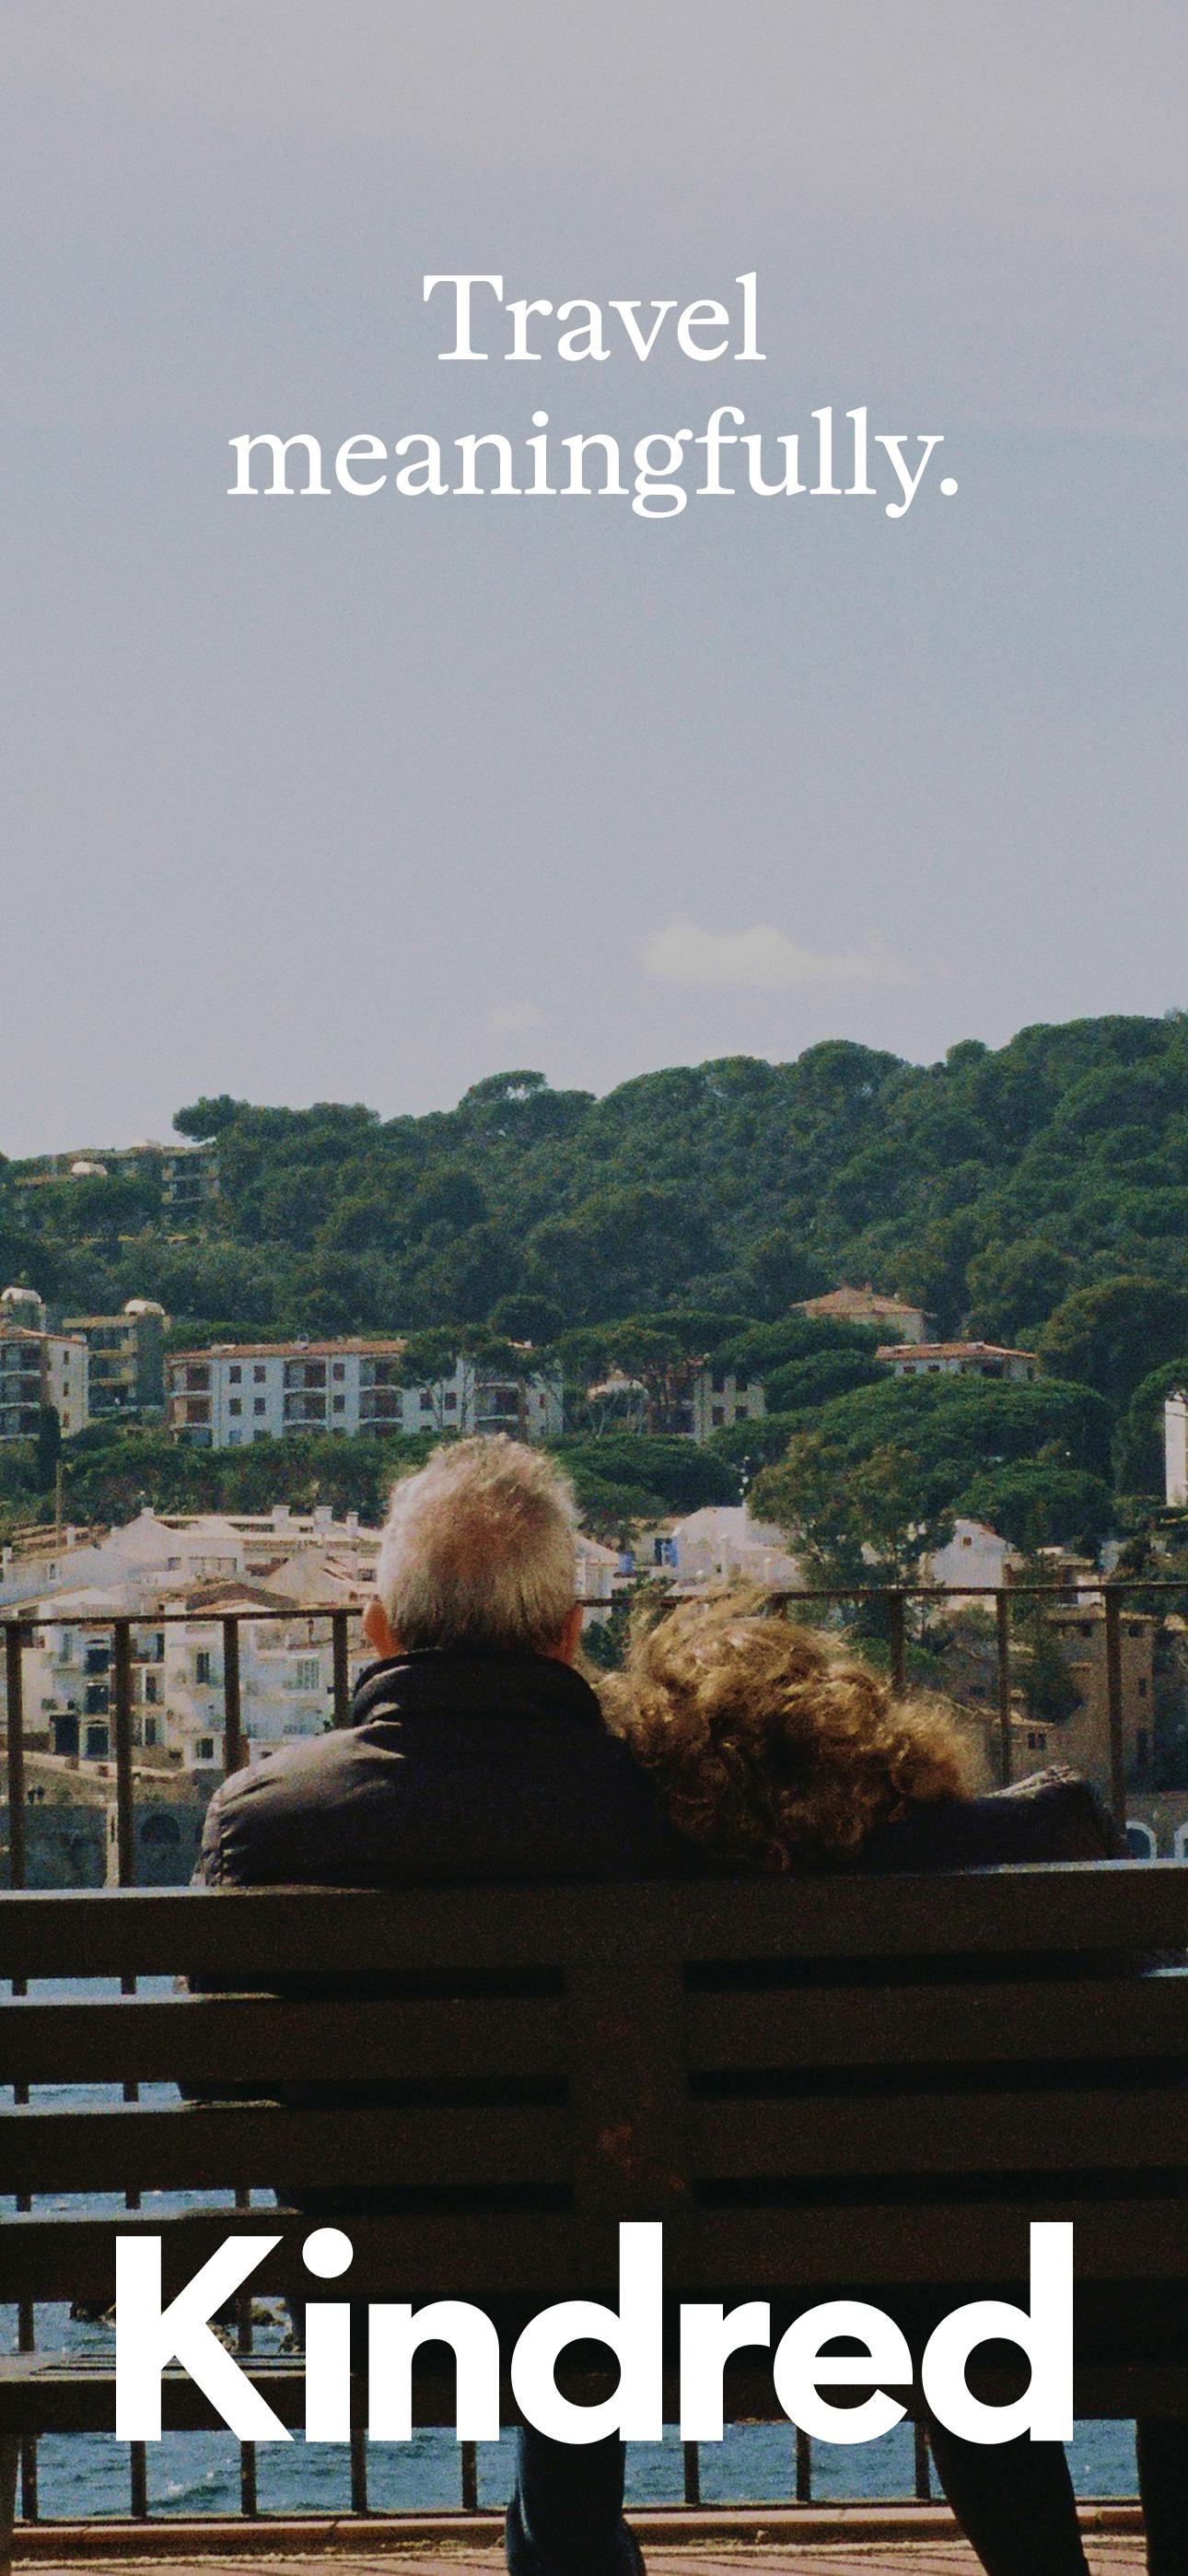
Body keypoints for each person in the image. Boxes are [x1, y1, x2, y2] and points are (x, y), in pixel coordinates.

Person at [600, 1586, 1185, 2576]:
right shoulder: (1030, 1842)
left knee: (956, 2290)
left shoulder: (675, 1921)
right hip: (1099, 2282)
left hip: (829, 2313)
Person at [201, 1436, 662, 2576]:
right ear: (569, 1630)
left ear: (378, 1629)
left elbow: (213, 2080)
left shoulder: (266, 1821)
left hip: (365, 2295)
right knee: (584, 2255)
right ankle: (569, 2539)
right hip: (619, 2295)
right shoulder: (660, 1805)